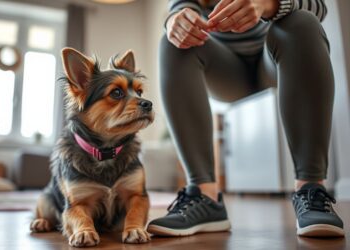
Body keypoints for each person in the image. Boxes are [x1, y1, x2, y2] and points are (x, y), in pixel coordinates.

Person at [146, 0, 345, 237]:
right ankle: (204, 196)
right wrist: (174, 21)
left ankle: (311, 189)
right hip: (224, 69)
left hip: (277, 55)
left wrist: (269, 4)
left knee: (301, 21)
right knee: (173, 42)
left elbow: (318, 7)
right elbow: (179, 7)